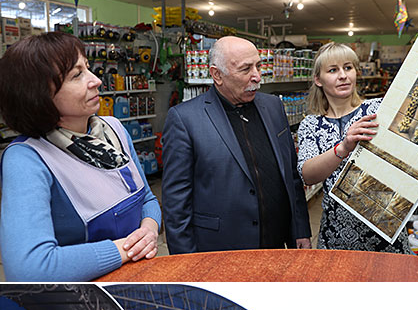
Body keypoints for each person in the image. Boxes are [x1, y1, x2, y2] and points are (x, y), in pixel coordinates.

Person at [0, 33, 161, 281]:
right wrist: (126, 249)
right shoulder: (27, 158)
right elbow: (30, 268)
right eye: (77, 75)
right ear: (38, 94)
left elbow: (147, 199)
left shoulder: (114, 130)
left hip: (140, 283)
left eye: (87, 68)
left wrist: (150, 229)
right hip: (84, 305)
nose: (96, 80)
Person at [296, 41, 418, 252]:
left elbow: (414, 153)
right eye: (333, 70)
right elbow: (308, 175)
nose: (343, 75)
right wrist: (342, 148)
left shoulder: (380, 109)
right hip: (336, 235)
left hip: (387, 234)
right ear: (318, 79)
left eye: (348, 68)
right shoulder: (311, 124)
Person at [162, 36, 312, 253]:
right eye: (245, 69)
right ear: (217, 75)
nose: (257, 76)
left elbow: (290, 175)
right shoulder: (185, 119)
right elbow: (176, 204)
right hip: (221, 249)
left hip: (276, 245)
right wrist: (185, 263)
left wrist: (300, 229)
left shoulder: (273, 107)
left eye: (258, 66)